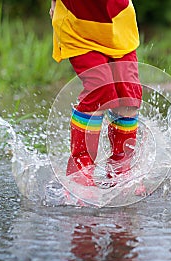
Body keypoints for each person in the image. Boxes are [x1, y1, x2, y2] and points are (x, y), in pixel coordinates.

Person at [50, 0, 143, 186]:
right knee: (100, 87)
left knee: (129, 96)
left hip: (118, 23)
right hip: (77, 23)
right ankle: (80, 172)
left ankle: (121, 169)